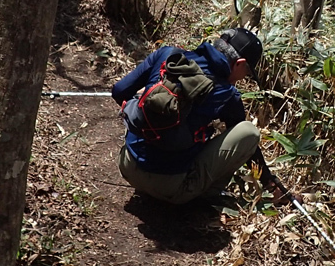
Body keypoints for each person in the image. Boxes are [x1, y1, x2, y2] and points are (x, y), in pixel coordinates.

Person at [112, 28, 284, 205]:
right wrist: (270, 184)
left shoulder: (169, 55)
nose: (244, 77)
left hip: (127, 166)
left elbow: (119, 91)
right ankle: (206, 197)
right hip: (169, 189)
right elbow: (250, 149)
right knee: (249, 133)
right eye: (247, 71)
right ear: (239, 63)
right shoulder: (228, 94)